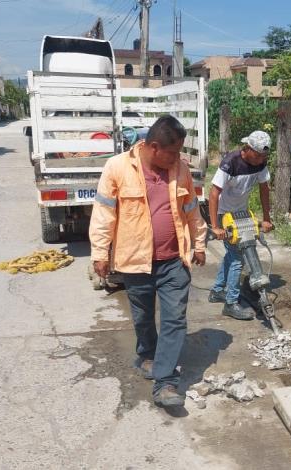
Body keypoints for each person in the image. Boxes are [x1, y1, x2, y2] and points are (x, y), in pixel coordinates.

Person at [89, 115, 207, 408]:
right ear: (154, 147)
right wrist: (100, 253)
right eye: (173, 152)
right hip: (134, 262)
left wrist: (199, 243)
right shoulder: (117, 167)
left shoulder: (180, 169)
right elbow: (104, 213)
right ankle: (146, 354)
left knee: (175, 319)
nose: (177, 157)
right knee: (143, 318)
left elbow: (191, 208)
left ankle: (165, 382)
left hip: (173, 262)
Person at [208, 130, 274, 321]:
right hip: (224, 215)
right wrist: (215, 226)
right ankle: (230, 303)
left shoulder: (260, 164)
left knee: (232, 254)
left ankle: (217, 291)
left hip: (241, 214)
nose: (262, 158)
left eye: (265, 156)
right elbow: (213, 194)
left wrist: (267, 218)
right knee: (238, 257)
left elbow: (264, 189)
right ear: (249, 149)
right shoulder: (231, 162)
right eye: (259, 154)